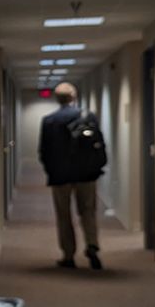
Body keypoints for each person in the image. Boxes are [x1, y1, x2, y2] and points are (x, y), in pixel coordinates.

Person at [38, 82, 105, 270]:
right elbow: (99, 144)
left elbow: (43, 151)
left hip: (60, 176)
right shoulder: (88, 116)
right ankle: (92, 245)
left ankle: (68, 255)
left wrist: (51, 170)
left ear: (57, 99)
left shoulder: (49, 121)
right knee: (88, 211)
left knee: (64, 215)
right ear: (74, 97)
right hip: (86, 174)